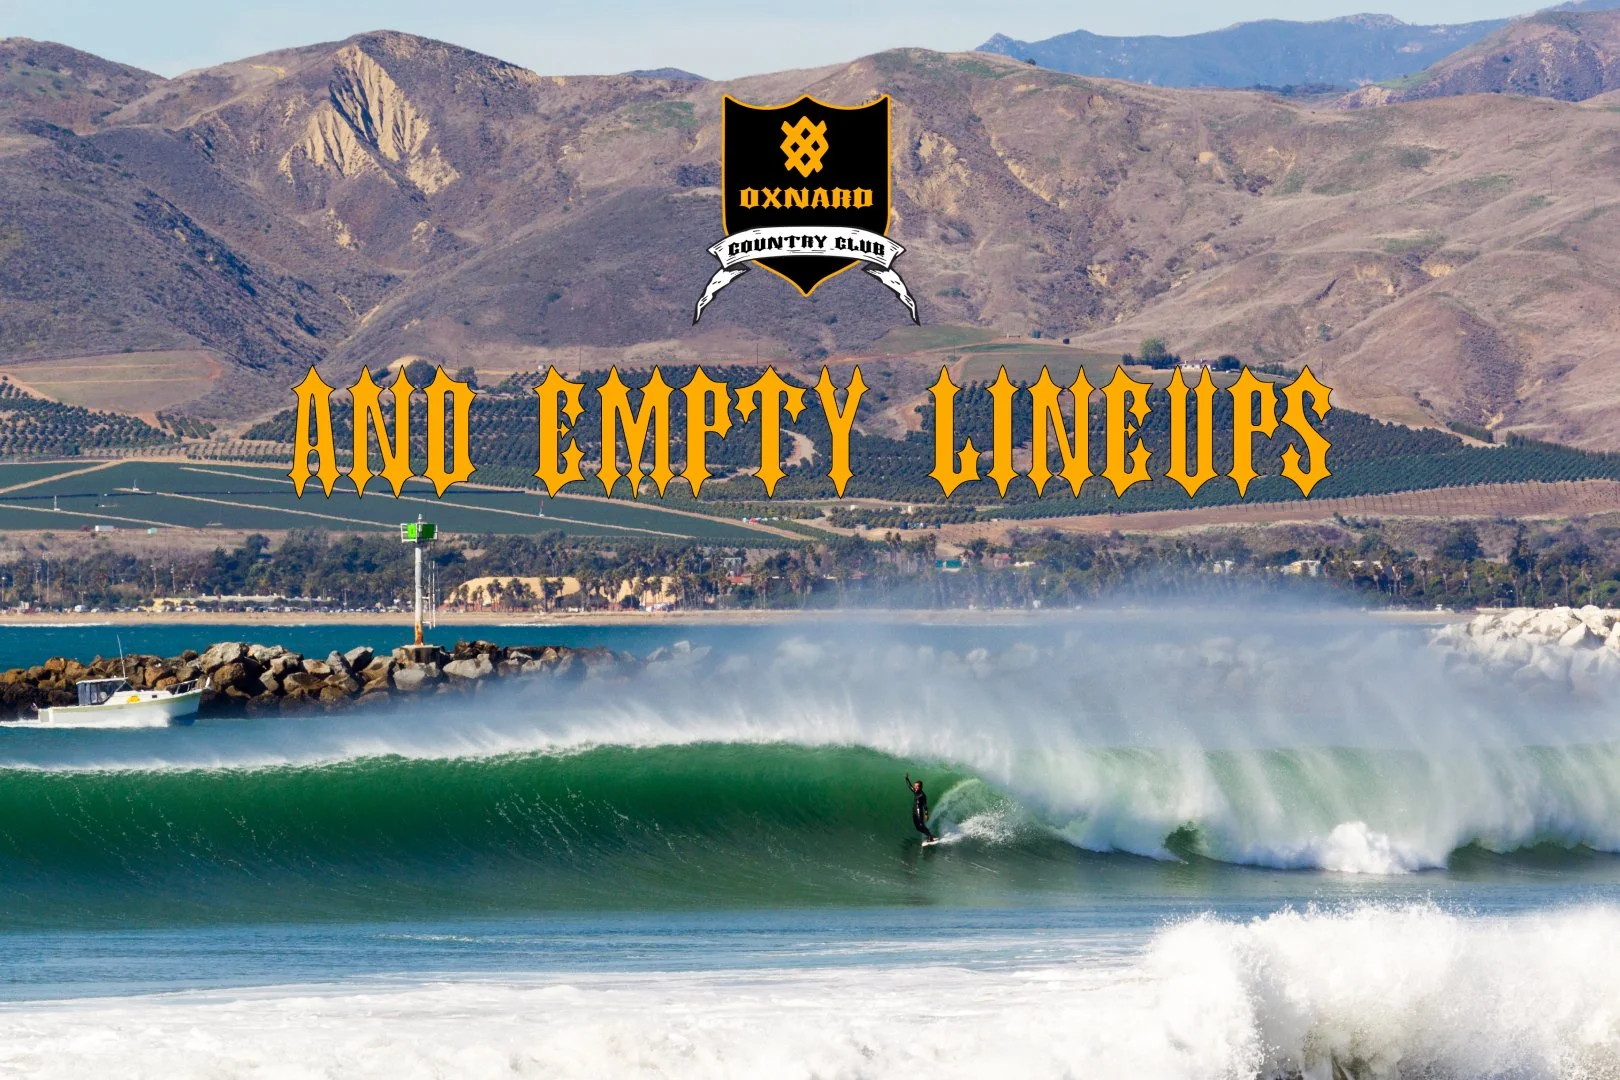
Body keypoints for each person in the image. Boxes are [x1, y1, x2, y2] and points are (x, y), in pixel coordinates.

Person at [905, 772, 935, 841]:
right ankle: (929, 834)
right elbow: (910, 786)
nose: (915, 787)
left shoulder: (923, 795)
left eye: (917, 786)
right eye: (915, 786)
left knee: (921, 825)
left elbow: (925, 805)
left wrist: (926, 814)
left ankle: (930, 836)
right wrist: (907, 779)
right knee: (918, 828)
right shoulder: (915, 792)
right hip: (914, 812)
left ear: (921, 787)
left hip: (919, 812)